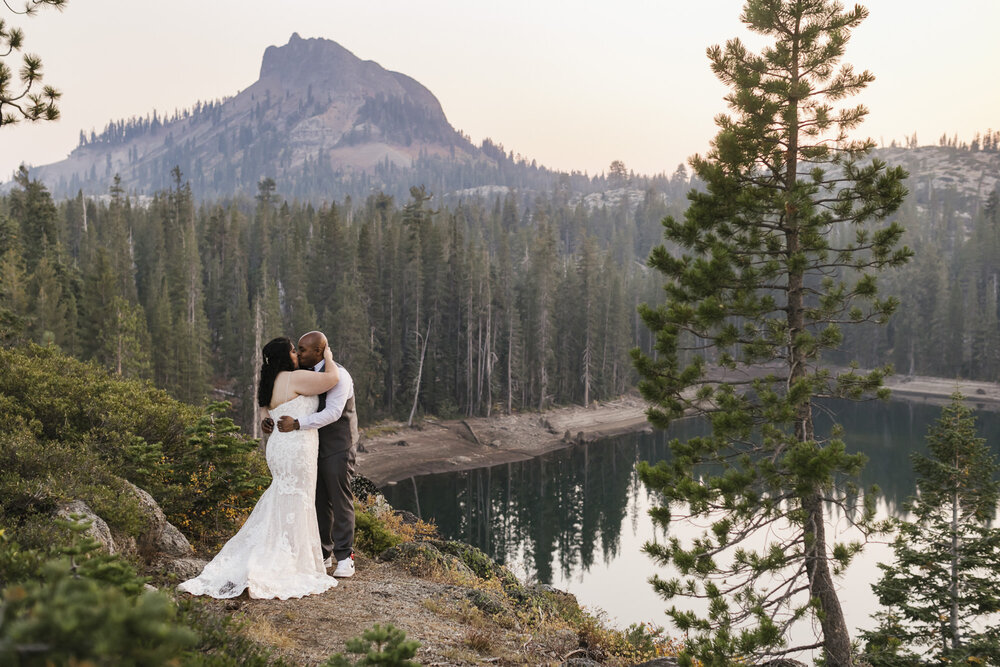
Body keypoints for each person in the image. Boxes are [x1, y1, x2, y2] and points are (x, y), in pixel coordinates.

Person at [178, 336, 340, 599]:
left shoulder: (270, 382)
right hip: (296, 448)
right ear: (285, 357)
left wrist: (266, 418)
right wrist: (328, 355)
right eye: (293, 351)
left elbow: (264, 409)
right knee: (297, 501)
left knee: (283, 499)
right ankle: (292, 560)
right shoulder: (294, 378)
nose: (297, 355)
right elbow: (332, 379)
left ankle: (286, 552)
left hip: (279, 447)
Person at [263, 331, 358, 578]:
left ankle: (345, 556)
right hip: (307, 446)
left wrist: (297, 423)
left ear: (319, 352)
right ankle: (324, 552)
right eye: (298, 349)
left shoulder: (340, 375)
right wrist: (269, 418)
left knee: (340, 498)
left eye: (303, 350)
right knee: (318, 500)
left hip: (338, 445)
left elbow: (334, 412)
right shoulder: (300, 376)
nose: (300, 353)